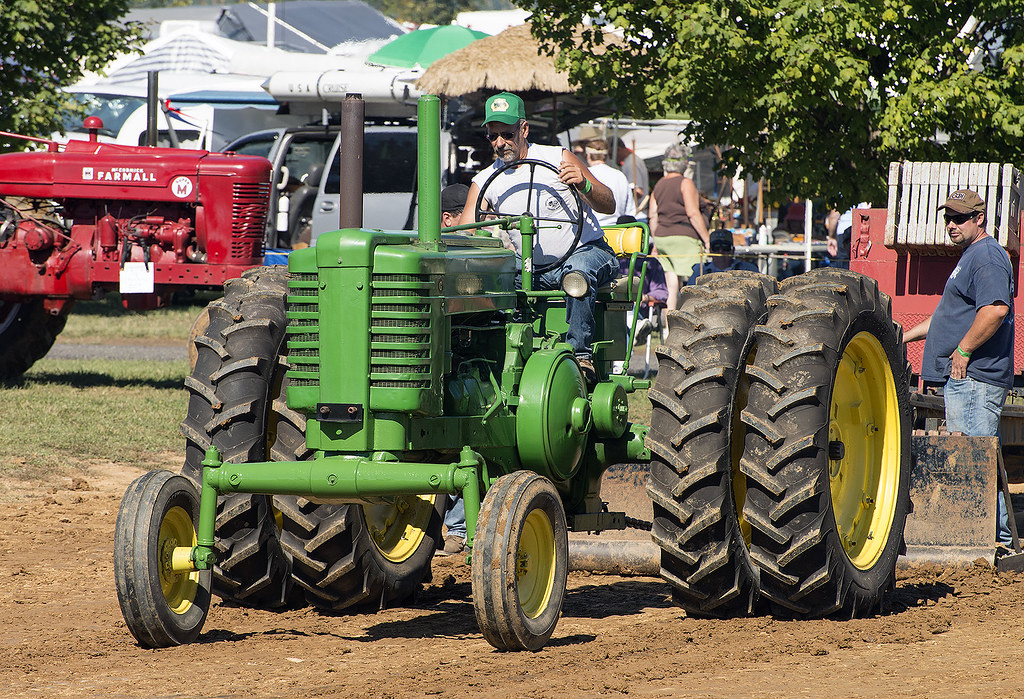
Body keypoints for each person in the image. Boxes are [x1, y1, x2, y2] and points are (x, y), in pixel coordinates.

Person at [460, 92, 618, 386]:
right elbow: (464, 230)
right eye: (492, 136)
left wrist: (584, 184)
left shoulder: (558, 158)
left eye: (507, 134)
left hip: (585, 252)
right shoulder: (484, 182)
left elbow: (608, 204)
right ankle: (493, 357)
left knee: (579, 272)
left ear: (524, 129)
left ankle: (580, 358)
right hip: (531, 269)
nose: (499, 143)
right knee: (493, 282)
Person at [903, 189, 1015, 548]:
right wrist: (902, 337)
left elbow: (996, 309)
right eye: (947, 217)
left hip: (975, 379)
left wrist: (963, 350)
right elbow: (944, 317)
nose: (951, 224)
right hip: (966, 380)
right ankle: (991, 536)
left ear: (979, 219)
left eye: (960, 218)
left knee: (973, 460)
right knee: (973, 458)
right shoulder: (971, 256)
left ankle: (990, 540)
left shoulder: (987, 256)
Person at [648, 144, 712, 336]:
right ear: (685, 163)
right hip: (684, 237)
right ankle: (693, 325)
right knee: (695, 282)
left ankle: (669, 329)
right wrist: (707, 240)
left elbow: (653, 216)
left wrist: (656, 242)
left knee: (671, 285)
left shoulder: (658, 185)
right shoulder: (686, 183)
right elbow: (693, 213)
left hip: (661, 238)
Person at [582, 138, 636, 226]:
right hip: (617, 229)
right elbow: (630, 209)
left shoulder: (584, 175)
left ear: (588, 155)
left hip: (593, 231)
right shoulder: (619, 175)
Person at [687, 228, 758, 283]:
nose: (720, 251)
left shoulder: (748, 269)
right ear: (710, 251)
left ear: (732, 250)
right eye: (716, 247)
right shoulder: (700, 271)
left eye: (725, 247)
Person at [615, 138, 650, 216]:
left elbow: (638, 192)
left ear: (618, 150)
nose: (611, 158)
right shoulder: (630, 161)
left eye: (611, 154)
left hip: (637, 214)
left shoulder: (631, 163)